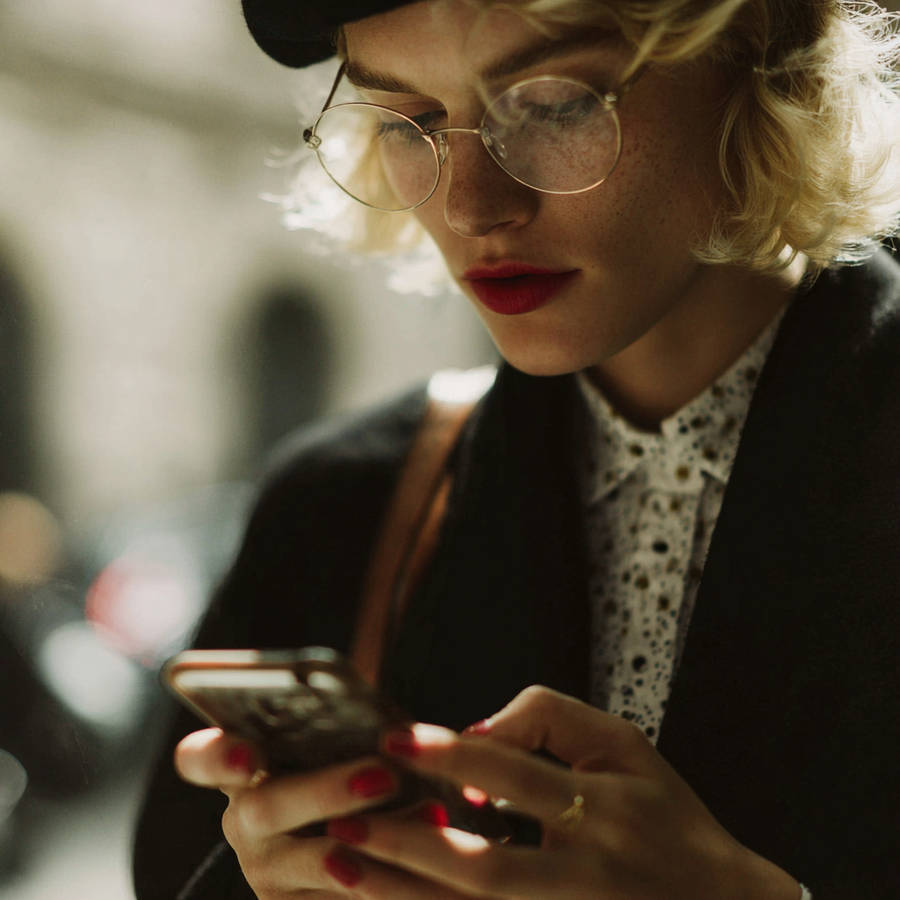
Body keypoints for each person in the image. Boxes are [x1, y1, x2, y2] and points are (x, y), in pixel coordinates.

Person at [132, 0, 900, 897]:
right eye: (410, 122)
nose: (471, 205)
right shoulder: (336, 509)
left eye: (555, 104)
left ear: (765, 55)